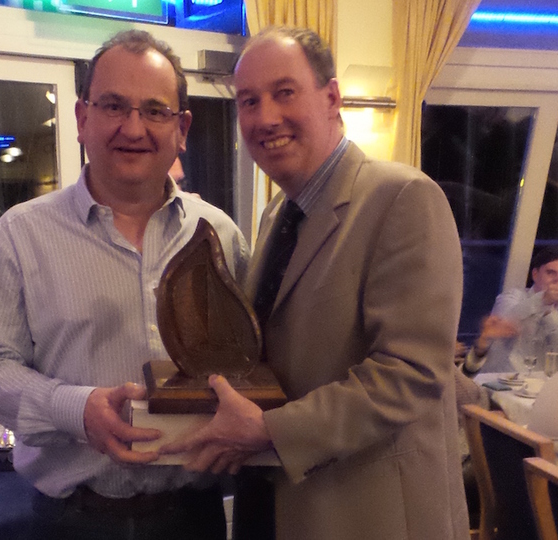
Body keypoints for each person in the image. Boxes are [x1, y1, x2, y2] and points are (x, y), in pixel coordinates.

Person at [160, 26, 469, 540]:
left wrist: (270, 430)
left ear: (331, 97)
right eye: (248, 101)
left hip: (367, 515)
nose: (265, 118)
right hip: (277, 502)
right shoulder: (276, 214)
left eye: (284, 92)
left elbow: (411, 372)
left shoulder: (402, 197)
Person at [0, 29, 249, 540]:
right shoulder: (20, 235)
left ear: (181, 128)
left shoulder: (220, 234)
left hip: (195, 518)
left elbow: (250, 359)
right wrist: (76, 410)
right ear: (81, 118)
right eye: (113, 105)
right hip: (72, 522)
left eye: (154, 110)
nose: (133, 128)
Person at [463, 246, 558, 374]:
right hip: (499, 379)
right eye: (551, 273)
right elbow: (505, 323)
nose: (556, 280)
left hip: (540, 381)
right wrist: (542, 300)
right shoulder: (511, 297)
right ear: (535, 274)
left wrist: (549, 314)